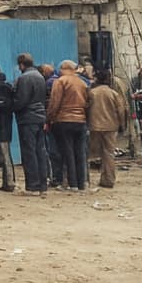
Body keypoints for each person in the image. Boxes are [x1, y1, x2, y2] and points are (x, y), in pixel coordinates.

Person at [47, 60, 91, 190]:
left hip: (64, 120)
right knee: (80, 152)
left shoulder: (60, 82)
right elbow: (88, 102)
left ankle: (72, 184)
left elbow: (55, 102)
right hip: (81, 120)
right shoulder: (82, 83)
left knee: (68, 152)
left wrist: (50, 118)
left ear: (63, 68)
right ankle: (82, 182)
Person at [14, 54, 50, 195]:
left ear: (22, 65)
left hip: (27, 118)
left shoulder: (24, 78)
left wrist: (13, 107)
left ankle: (32, 185)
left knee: (29, 152)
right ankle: (42, 184)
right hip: (40, 117)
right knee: (40, 150)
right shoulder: (40, 76)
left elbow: (21, 100)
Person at [88, 69, 128, 189]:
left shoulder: (91, 93)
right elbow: (121, 111)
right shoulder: (114, 94)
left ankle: (85, 180)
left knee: (88, 154)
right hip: (111, 127)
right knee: (109, 154)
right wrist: (122, 125)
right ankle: (108, 180)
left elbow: (86, 108)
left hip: (94, 126)